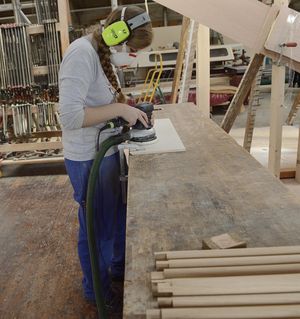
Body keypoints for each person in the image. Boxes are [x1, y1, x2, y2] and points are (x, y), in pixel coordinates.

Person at [58, 5, 153, 310]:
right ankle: (96, 292)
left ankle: (114, 272)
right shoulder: (81, 54)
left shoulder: (100, 54)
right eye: (130, 46)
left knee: (112, 220)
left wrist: (127, 107)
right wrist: (119, 110)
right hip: (88, 158)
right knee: (96, 228)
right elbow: (70, 117)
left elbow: (99, 101)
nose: (130, 53)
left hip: (106, 152)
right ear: (116, 33)